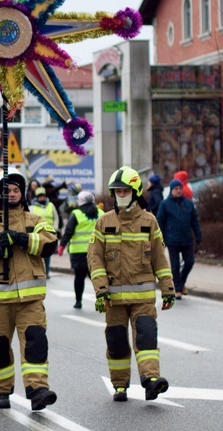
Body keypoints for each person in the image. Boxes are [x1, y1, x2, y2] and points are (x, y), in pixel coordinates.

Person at [0, 168, 58, 411]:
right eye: (8, 190)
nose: (13, 194)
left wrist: (21, 238)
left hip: (31, 300)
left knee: (36, 345)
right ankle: (2, 390)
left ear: (23, 193)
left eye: (17, 190)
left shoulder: (35, 220)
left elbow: (49, 243)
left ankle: (37, 390)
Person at [88, 166, 175, 402]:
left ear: (135, 192)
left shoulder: (149, 221)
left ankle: (151, 381)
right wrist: (101, 290)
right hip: (113, 299)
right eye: (117, 190)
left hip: (143, 298)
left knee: (147, 338)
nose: (120, 194)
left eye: (125, 190)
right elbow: (94, 259)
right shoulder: (103, 222)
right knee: (116, 342)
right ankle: (119, 385)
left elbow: (159, 257)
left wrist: (168, 289)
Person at [156, 179, 201, 299]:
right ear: (171, 190)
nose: (179, 190)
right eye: (176, 189)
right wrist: (162, 237)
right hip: (172, 240)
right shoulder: (165, 204)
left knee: (190, 262)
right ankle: (178, 289)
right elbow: (160, 221)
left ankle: (181, 282)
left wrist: (198, 235)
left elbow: (194, 221)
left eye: (180, 188)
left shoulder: (188, 203)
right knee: (175, 266)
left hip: (187, 239)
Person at [57, 191, 103, 308]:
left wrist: (62, 245)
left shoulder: (76, 214)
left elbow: (68, 231)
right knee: (97, 276)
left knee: (79, 277)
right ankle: (102, 298)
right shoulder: (101, 213)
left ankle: (78, 301)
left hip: (79, 252)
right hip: (97, 251)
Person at [29, 187, 60, 277]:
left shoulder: (51, 205)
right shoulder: (32, 207)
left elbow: (56, 217)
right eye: (40, 197)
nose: (42, 198)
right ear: (37, 198)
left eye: (43, 197)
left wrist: (55, 228)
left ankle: (46, 272)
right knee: (37, 254)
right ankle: (37, 271)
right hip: (37, 235)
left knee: (47, 253)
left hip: (49, 234)